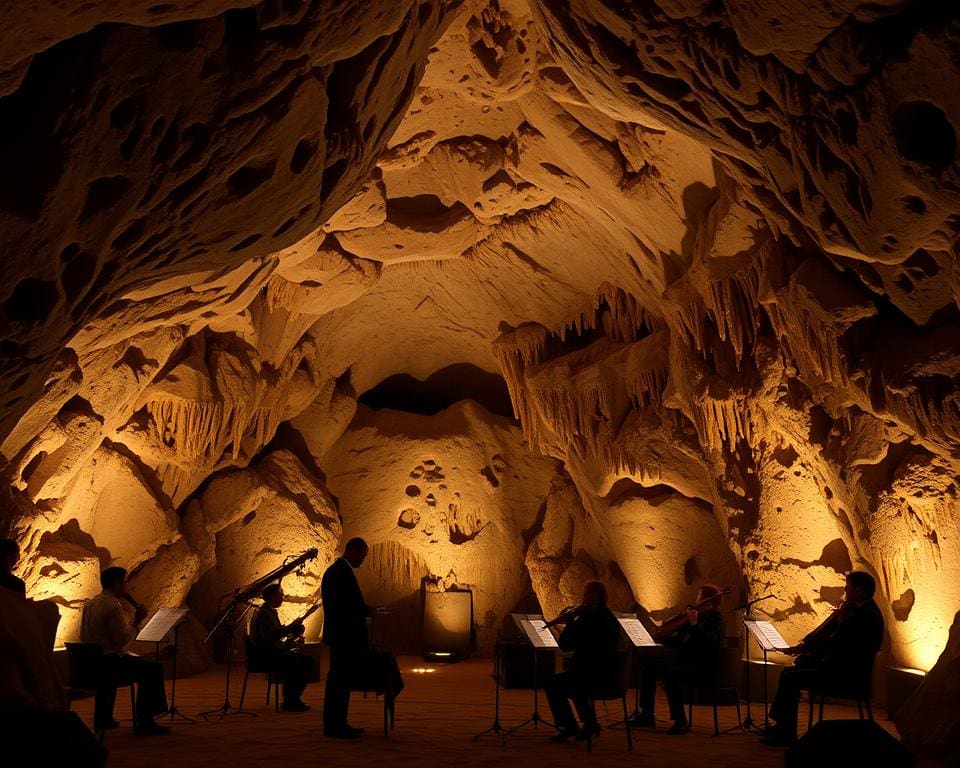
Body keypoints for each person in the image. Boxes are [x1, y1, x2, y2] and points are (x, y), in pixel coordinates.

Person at [761, 570, 884, 746]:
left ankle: (783, 732)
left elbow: (844, 644)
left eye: (847, 588)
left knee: (789, 677)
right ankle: (781, 729)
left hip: (846, 677)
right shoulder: (861, 610)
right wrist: (805, 648)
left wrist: (840, 620)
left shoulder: (866, 615)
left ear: (858, 591)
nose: (845, 591)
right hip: (841, 671)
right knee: (789, 673)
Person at [320, 537, 404, 739]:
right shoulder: (341, 572)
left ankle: (338, 723)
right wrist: (368, 610)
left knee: (340, 680)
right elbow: (348, 606)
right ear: (353, 551)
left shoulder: (337, 571)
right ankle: (335, 726)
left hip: (340, 635)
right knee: (340, 681)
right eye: (363, 555)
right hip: (344, 637)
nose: (363, 560)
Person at [80, 567, 169, 735]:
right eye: (125, 582)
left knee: (131, 662)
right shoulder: (113, 606)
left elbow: (83, 635)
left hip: (89, 663)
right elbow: (121, 639)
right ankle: (145, 721)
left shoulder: (89, 604)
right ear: (116, 584)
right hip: (108, 665)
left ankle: (103, 718)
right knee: (153, 669)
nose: (127, 586)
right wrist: (137, 621)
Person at [632, 583, 726, 734]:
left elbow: (709, 641)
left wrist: (694, 624)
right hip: (685, 664)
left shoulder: (716, 620)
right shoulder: (693, 618)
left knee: (671, 675)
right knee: (648, 671)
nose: (697, 601)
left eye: (700, 597)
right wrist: (662, 638)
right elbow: (680, 642)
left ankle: (680, 720)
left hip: (701, 668)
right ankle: (647, 714)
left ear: (709, 601)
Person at [543, 580, 622, 742]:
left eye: (586, 594)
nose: (583, 598)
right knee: (573, 677)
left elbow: (566, 645)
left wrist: (570, 621)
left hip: (591, 676)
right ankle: (589, 723)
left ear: (594, 595)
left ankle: (570, 726)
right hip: (609, 675)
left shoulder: (589, 618)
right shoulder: (608, 616)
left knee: (553, 683)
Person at [249, 582, 314, 711]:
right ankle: (291, 699)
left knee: (304, 660)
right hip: (267, 656)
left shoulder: (266, 611)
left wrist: (292, 633)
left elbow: (275, 635)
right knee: (304, 662)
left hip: (268, 653)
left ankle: (292, 698)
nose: (283, 598)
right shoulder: (265, 614)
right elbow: (272, 636)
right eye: (281, 595)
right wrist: (292, 628)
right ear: (273, 596)